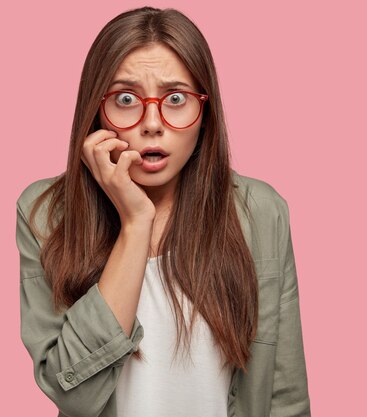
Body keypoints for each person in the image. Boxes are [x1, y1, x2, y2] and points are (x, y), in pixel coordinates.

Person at [15, 6, 310, 417]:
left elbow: (284, 397)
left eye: (175, 98)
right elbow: (74, 395)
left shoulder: (261, 212)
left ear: (205, 112)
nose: (152, 123)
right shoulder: (45, 214)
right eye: (125, 98)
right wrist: (135, 224)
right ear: (96, 111)